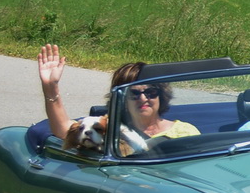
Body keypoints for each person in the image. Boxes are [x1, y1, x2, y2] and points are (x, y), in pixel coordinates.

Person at [38, 44, 199, 150]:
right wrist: (50, 87)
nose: (143, 98)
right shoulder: (109, 129)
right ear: (121, 100)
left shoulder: (186, 131)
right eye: (134, 93)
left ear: (161, 95)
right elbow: (64, 129)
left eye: (150, 92)